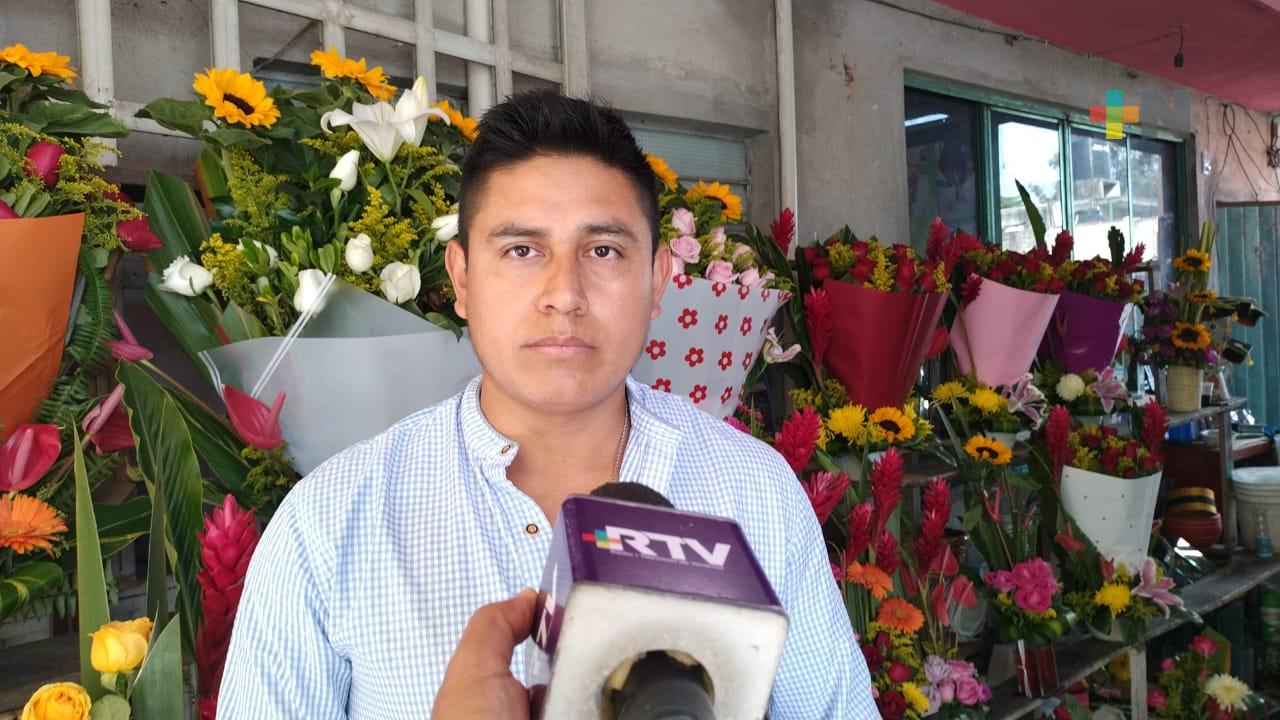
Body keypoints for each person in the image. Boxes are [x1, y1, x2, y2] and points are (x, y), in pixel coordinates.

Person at [217, 89, 877, 718]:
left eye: (603, 250)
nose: (564, 294)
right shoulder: (329, 523)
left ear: (657, 281)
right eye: (522, 250)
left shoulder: (756, 493)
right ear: (462, 278)